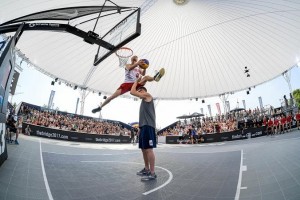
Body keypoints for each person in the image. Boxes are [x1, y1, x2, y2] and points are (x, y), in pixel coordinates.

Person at [92, 55, 165, 113]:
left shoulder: (138, 68)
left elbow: (143, 74)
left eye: (136, 59)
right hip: (127, 84)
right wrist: (137, 63)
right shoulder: (128, 65)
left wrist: (145, 67)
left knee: (146, 77)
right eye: (134, 59)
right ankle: (100, 107)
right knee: (112, 97)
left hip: (135, 84)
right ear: (132, 59)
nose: (135, 60)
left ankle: (155, 78)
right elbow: (130, 68)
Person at [130, 78, 157, 181]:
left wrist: (136, 81)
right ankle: (146, 169)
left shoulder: (147, 95)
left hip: (149, 126)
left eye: (140, 90)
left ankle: (152, 173)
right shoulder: (143, 101)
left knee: (149, 149)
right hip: (143, 127)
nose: (138, 92)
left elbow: (132, 92)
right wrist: (140, 128)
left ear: (143, 90)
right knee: (143, 149)